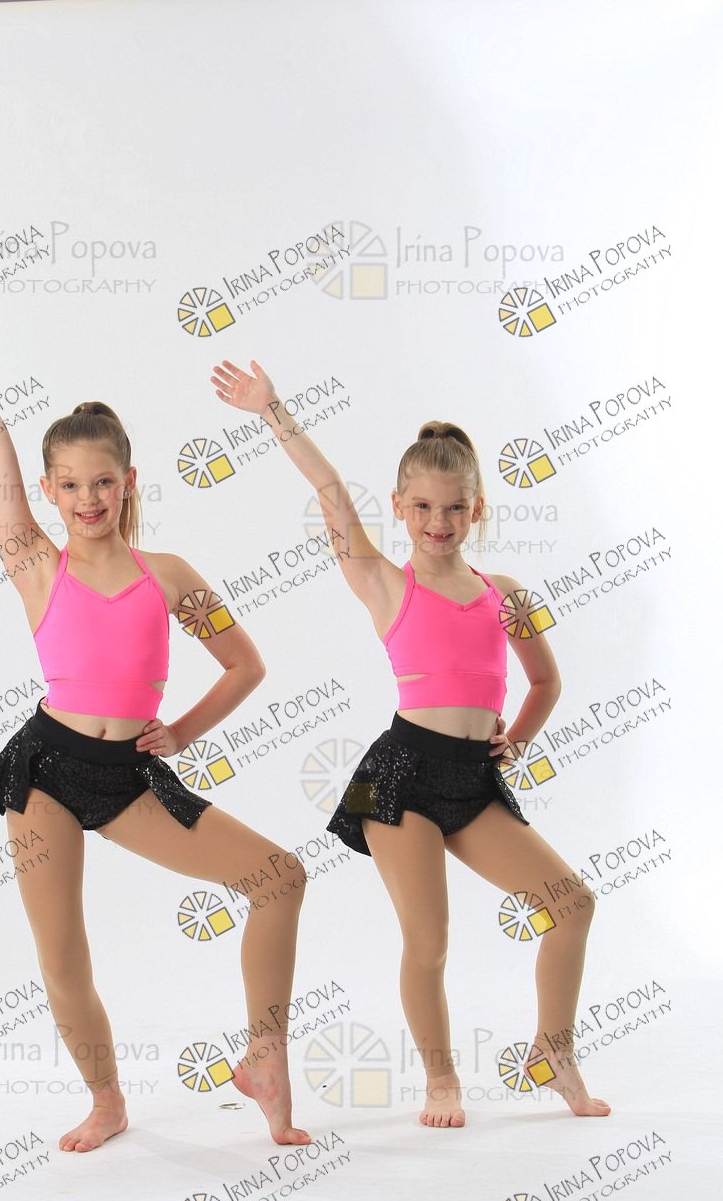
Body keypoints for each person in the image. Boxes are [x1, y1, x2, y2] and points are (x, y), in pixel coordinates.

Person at [0, 294, 311, 1152]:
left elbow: (245, 665)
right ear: (47, 492)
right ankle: (106, 1101)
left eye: (103, 481)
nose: (88, 497)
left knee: (279, 878)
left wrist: (183, 733)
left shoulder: (168, 575)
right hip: (45, 771)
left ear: (129, 481)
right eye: (69, 485)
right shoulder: (34, 562)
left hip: (130, 776)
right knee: (62, 954)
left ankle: (264, 1057)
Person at [210, 356, 611, 1129]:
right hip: (398, 775)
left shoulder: (504, 595)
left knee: (571, 904)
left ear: (477, 509)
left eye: (454, 507)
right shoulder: (385, 582)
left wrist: (514, 742)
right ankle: (441, 1081)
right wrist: (271, 410)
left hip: (471, 779)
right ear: (399, 507)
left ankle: (554, 1050)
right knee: (428, 941)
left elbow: (545, 682)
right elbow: (330, 493)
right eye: (423, 506)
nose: (438, 521)